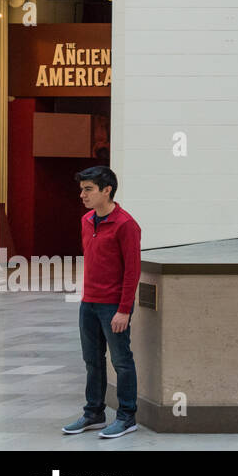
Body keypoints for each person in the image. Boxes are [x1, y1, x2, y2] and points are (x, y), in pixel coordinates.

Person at [61, 166, 141, 439]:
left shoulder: (126, 224)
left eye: (88, 189)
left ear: (107, 190)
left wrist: (124, 310)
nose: (82, 195)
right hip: (89, 304)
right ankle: (94, 413)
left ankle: (127, 417)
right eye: (82, 189)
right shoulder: (86, 220)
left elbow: (132, 271)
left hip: (112, 307)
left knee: (121, 362)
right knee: (92, 361)